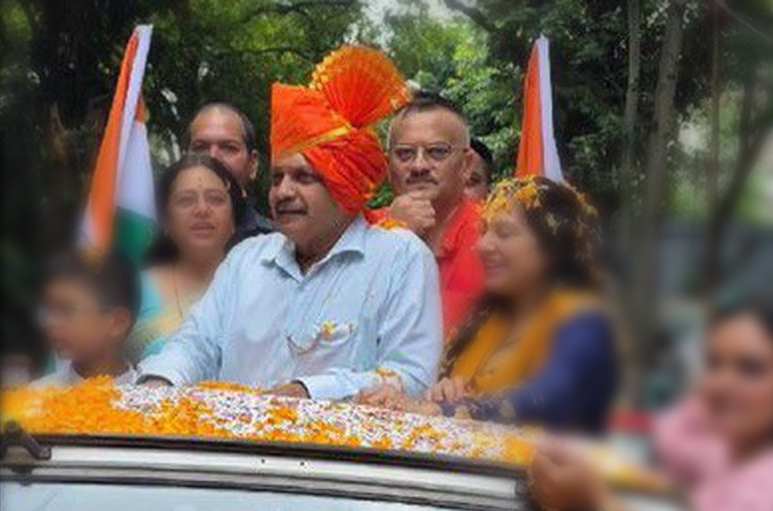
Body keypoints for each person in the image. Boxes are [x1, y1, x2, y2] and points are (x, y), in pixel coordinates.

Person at [138, 46, 441, 400]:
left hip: (335, 438)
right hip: (227, 436)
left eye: (303, 178)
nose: (283, 192)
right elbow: (196, 343)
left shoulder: (400, 258)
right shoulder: (246, 259)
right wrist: (159, 381)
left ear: (345, 187)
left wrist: (309, 392)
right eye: (277, 177)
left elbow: (411, 375)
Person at [360, 177, 618, 433]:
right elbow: (449, 402)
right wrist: (441, 394)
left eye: (504, 233)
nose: (482, 245)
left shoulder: (586, 320)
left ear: (554, 245)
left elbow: (549, 398)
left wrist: (447, 410)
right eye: (484, 231)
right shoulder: (485, 321)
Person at [528, 299, 773, 511]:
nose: (722, 383)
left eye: (751, 369)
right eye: (714, 364)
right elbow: (668, 437)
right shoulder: (726, 454)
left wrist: (596, 499)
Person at [371, 93, 485, 338]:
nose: (419, 166)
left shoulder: (494, 230)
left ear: (466, 165)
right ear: (388, 166)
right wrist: (393, 235)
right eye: (405, 154)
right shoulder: (362, 231)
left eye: (437, 152)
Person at [128, 154, 245, 360]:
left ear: (234, 218)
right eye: (186, 200)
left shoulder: (260, 284)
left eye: (215, 199)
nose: (202, 210)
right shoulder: (134, 290)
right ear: (165, 220)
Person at [33, 250, 140, 386]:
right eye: (50, 311)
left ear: (118, 323)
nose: (50, 322)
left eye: (65, 310)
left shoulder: (151, 394)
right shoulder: (38, 394)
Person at [185, 101, 273, 239]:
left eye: (228, 148)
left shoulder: (278, 245)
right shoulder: (157, 242)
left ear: (252, 164)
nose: (213, 157)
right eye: (200, 147)